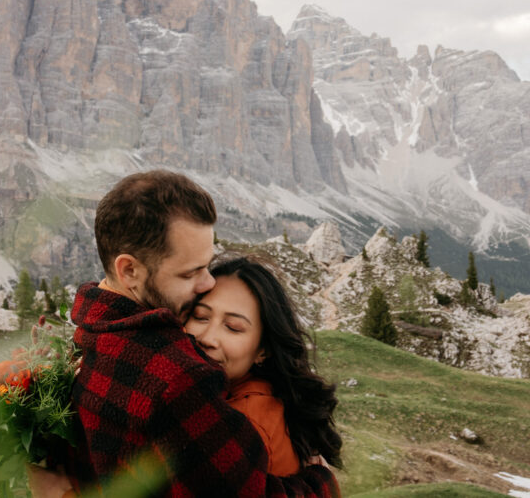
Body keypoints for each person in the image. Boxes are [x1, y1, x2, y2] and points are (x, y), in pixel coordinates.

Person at [67, 170, 339, 497]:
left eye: (207, 266)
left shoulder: (90, 336)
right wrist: (319, 481)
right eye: (190, 272)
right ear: (129, 270)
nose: (208, 283)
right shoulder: (181, 379)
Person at [185, 256, 342, 478]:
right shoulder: (255, 395)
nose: (208, 338)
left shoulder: (241, 422)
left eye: (233, 327)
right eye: (200, 316)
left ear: (263, 350)